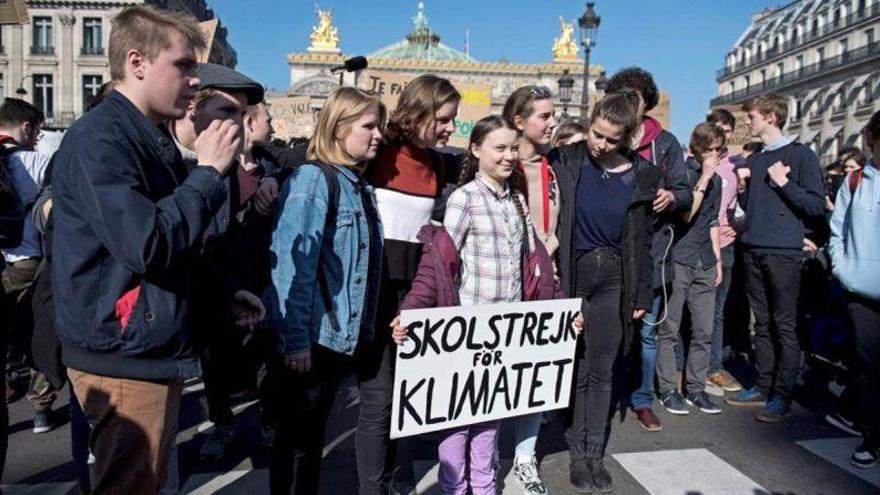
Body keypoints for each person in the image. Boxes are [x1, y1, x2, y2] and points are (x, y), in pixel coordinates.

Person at [50, 7, 262, 493]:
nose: (194, 81)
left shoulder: (143, 136)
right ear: (137, 62)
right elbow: (148, 244)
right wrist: (209, 173)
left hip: (143, 346)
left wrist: (221, 294)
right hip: (122, 351)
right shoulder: (102, 139)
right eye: (183, 66)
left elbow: (177, 249)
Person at [391, 115, 576, 495]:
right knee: (457, 423)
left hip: (505, 336)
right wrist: (410, 312)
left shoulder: (517, 203)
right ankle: (455, 488)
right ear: (476, 150)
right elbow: (438, 263)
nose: (508, 156)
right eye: (499, 148)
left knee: (491, 419)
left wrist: (559, 309)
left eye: (513, 148)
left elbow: (535, 265)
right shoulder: (463, 199)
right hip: (468, 334)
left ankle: (486, 486)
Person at [267, 86, 385, 495]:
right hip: (311, 340)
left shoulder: (356, 185)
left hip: (332, 341)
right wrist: (296, 339)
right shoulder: (313, 179)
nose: (378, 135)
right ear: (338, 128)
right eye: (368, 126)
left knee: (309, 441)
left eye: (379, 126)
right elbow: (293, 265)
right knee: (298, 444)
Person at [550, 93, 660, 493]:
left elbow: (643, 241)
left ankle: (595, 450)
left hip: (616, 278)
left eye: (611, 139)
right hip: (575, 272)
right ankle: (577, 452)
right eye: (597, 134)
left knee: (603, 369)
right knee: (577, 367)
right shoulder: (566, 159)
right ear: (590, 121)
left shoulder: (643, 175)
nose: (601, 144)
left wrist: (641, 295)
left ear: (628, 136)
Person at [362, 74, 461, 493]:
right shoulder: (377, 150)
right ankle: (371, 487)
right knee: (378, 399)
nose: (450, 129)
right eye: (443, 119)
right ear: (419, 111)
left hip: (416, 295)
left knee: (407, 397)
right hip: (372, 291)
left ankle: (396, 478)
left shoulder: (439, 163)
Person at [168, 62, 267, 462]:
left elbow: (205, 244)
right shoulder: (157, 156)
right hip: (143, 328)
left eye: (243, 117)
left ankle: (226, 425)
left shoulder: (221, 164)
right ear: (193, 107)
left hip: (211, 293)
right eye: (228, 113)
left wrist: (228, 291)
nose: (239, 126)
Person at [725, 92, 825, 423]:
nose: (747, 122)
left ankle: (782, 394)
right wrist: (741, 192)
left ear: (770, 116)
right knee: (762, 323)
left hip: (783, 251)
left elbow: (814, 205)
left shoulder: (801, 156)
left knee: (784, 323)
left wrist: (784, 183)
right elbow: (745, 211)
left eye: (751, 116)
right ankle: (763, 384)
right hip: (752, 247)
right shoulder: (752, 160)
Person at [604, 67, 692, 432]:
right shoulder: (609, 137)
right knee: (609, 330)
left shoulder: (666, 143)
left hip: (652, 251)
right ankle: (604, 397)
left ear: (646, 101)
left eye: (634, 94)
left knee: (648, 333)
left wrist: (672, 196)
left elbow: (685, 191)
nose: (627, 98)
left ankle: (642, 399)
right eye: (620, 92)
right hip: (611, 249)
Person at [501, 85, 559, 495]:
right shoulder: (499, 163)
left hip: (544, 283)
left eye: (553, 115)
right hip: (503, 281)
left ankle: (525, 458)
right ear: (519, 122)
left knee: (533, 377)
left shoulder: (557, 167)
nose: (552, 122)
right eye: (544, 116)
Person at [656, 123, 724, 416]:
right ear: (697, 150)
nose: (716, 157)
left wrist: (718, 260)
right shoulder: (682, 175)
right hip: (680, 257)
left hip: (704, 260)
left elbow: (712, 221)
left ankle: (696, 388)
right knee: (670, 329)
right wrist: (705, 177)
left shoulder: (718, 182)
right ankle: (668, 388)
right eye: (711, 151)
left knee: (703, 330)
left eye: (719, 151)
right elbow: (686, 214)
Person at [828, 111, 880, 468]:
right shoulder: (855, 181)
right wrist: (843, 270)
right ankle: (871, 437)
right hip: (862, 290)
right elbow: (837, 231)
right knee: (869, 368)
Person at [0, 98, 52, 431]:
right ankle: (41, 407)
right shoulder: (35, 161)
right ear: (26, 127)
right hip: (30, 262)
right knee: (41, 328)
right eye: (36, 132)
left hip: (1, 266)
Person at [704, 109, 744, 394]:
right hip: (698, 244)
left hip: (726, 245)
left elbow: (747, 207)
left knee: (717, 310)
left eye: (727, 129)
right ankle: (686, 369)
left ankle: (713, 367)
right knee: (690, 310)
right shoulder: (694, 161)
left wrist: (739, 227)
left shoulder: (739, 166)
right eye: (717, 127)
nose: (722, 133)